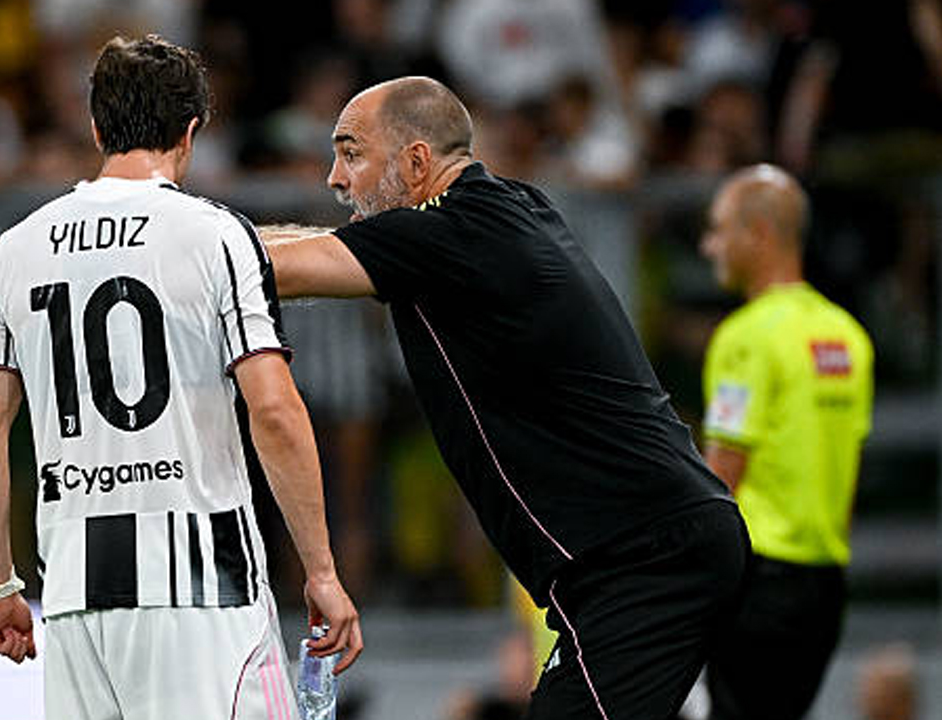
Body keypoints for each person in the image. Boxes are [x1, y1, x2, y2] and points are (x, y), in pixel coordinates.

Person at [262, 76, 748, 720]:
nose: (333, 177)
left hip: (643, 563)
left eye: (351, 152)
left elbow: (275, 266)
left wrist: (157, 236)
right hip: (649, 554)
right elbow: (312, 245)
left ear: (415, 163)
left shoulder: (454, 237)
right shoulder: (502, 209)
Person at [0, 35, 361, 720]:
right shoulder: (216, 236)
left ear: (95, 128)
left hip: (77, 594)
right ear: (191, 130)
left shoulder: (14, 253)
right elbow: (275, 411)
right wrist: (320, 570)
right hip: (202, 588)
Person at [699, 164, 874, 720]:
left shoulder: (746, 336)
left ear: (760, 235)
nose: (709, 246)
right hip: (824, 586)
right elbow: (847, 475)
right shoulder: (847, 336)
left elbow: (721, 475)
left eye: (719, 228)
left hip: (757, 582)